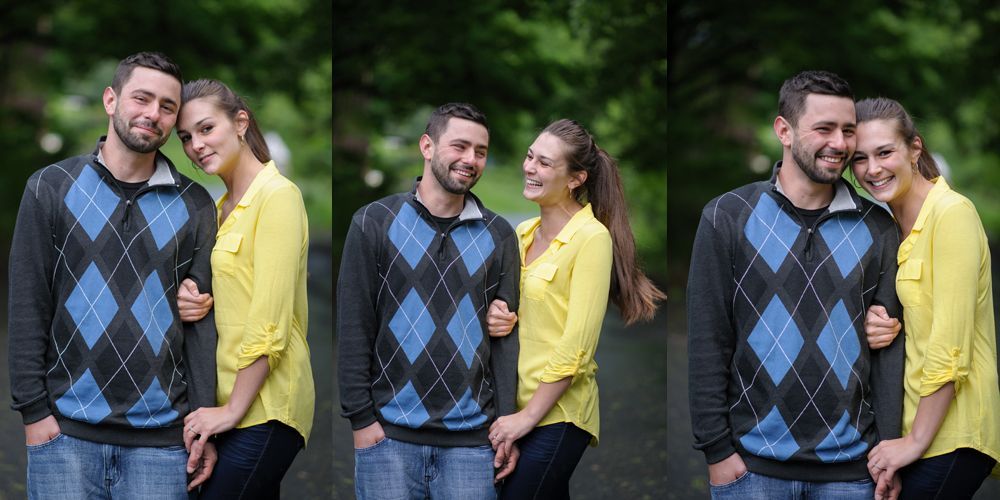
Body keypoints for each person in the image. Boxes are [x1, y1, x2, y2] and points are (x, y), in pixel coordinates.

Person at [686, 70, 907, 499]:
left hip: (853, 472)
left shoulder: (879, 227)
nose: (839, 143)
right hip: (751, 470)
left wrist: (885, 448)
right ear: (783, 131)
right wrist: (717, 453)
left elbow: (886, 355)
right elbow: (707, 341)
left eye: (847, 130)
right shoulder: (727, 217)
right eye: (823, 128)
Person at [7, 52, 219, 499]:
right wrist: (34, 415)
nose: (153, 114)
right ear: (110, 99)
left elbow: (201, 328)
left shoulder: (196, 205)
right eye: (141, 98)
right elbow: (28, 305)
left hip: (162, 444)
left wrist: (203, 426)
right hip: (64, 435)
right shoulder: (50, 188)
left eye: (167, 106)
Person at [336, 102, 521, 499]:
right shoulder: (373, 222)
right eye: (460, 146)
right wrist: (362, 422)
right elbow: (354, 327)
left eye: (481, 151)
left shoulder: (500, 236)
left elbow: (504, 342)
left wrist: (505, 424)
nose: (470, 159)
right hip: (387, 437)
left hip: (471, 443)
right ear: (427, 146)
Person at [484, 119, 665, 499]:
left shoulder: (591, 238)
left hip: (557, 416)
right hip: (513, 408)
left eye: (545, 163)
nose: (530, 167)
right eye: (530, 156)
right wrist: (495, 315)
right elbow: (508, 310)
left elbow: (577, 345)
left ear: (575, 179)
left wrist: (527, 419)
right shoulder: (520, 234)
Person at [850, 97, 1000, 499]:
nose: (873, 169)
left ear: (914, 149)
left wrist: (914, 442)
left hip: (951, 434)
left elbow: (950, 347)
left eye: (885, 152)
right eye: (860, 158)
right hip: (912, 429)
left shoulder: (951, 215)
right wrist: (871, 323)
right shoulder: (884, 227)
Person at [173, 79, 315, 498]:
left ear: (240, 122)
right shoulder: (219, 209)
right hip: (229, 403)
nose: (196, 145)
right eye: (185, 137)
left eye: (205, 129)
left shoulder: (278, 197)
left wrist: (231, 411)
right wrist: (191, 298)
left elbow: (269, 320)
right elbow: (232, 293)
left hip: (265, 407)